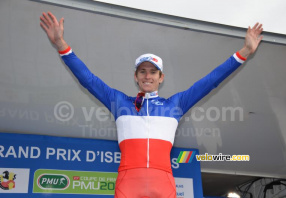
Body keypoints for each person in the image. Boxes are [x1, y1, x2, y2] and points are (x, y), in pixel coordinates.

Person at [40, 11, 263, 198]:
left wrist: (244, 52)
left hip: (162, 181)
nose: (148, 76)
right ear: (135, 77)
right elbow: (88, 80)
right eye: (143, 71)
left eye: (153, 72)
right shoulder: (119, 102)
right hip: (129, 182)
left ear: (161, 77)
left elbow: (211, 81)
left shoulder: (176, 104)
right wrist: (61, 44)